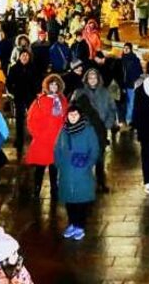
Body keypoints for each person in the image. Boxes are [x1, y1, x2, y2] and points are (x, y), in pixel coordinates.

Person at [54, 102, 101, 240]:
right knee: (69, 200)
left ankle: (80, 225)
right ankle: (72, 223)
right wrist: (59, 164)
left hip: (82, 170)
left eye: (75, 114)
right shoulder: (63, 130)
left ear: (80, 116)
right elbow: (57, 149)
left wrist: (88, 164)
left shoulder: (88, 130)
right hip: (66, 171)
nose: (73, 117)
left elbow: (95, 149)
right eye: (70, 114)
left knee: (81, 200)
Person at [26, 74, 68, 200]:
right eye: (52, 84)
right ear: (47, 86)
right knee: (40, 166)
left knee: (54, 167)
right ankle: (36, 189)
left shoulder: (62, 100)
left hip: (57, 138)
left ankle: (54, 190)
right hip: (43, 139)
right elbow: (31, 119)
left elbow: (66, 117)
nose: (54, 87)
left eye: (56, 84)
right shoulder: (39, 100)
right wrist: (37, 134)